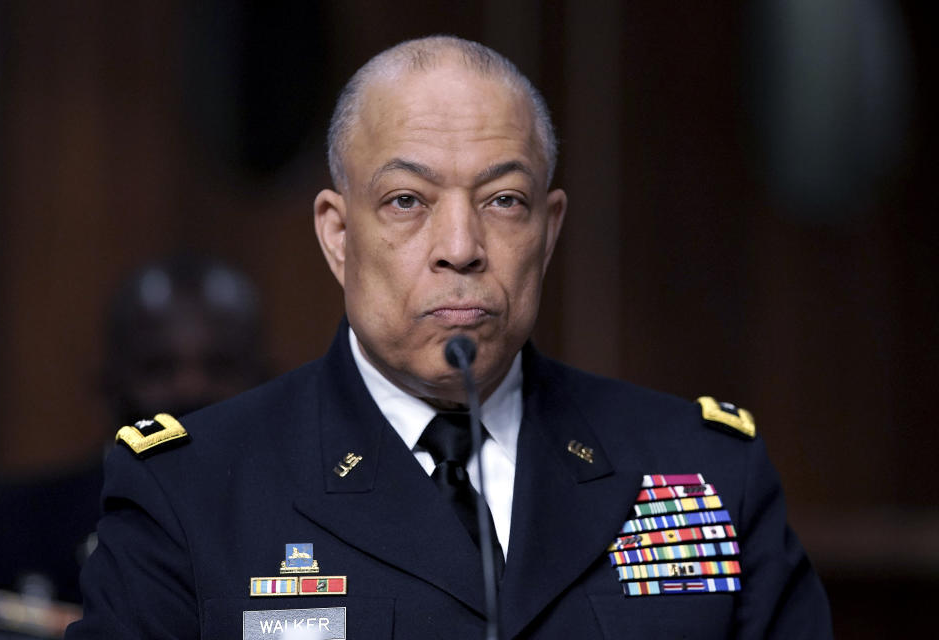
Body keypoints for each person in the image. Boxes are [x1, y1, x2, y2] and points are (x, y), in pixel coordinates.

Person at [66, 36, 833, 639]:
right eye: (407, 200)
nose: (461, 246)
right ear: (338, 234)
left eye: (504, 200)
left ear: (549, 228)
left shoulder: (702, 471)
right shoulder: (196, 489)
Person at [0, 255, 267, 639]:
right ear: (110, 381)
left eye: (221, 366)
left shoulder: (320, 521)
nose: (191, 388)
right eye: (158, 368)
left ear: (266, 381)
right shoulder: (7, 528)